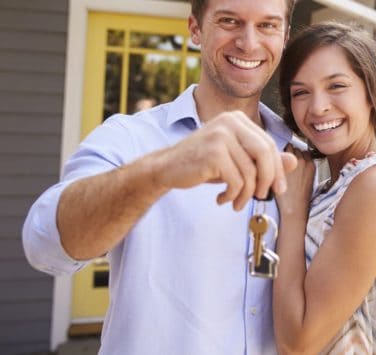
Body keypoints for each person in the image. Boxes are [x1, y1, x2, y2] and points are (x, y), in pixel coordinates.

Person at [22, 0, 299, 353]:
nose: (248, 42)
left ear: (285, 36)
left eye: (267, 25)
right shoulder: (130, 138)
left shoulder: (305, 157)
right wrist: (162, 170)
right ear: (196, 28)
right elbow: (44, 246)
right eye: (229, 21)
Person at [273, 22, 376, 354]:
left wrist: (293, 214)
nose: (317, 107)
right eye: (300, 92)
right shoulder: (331, 187)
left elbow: (298, 343)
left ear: (372, 93)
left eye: (336, 86)